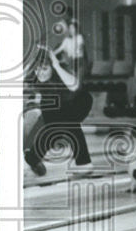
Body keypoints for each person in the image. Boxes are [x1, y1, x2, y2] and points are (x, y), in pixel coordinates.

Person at [23, 46, 94, 176]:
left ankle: (85, 164)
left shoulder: (60, 72)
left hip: (79, 101)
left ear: (52, 67)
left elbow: (74, 86)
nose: (40, 73)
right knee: (50, 131)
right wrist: (31, 62)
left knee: (69, 123)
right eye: (37, 69)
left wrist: (56, 65)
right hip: (57, 106)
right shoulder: (36, 77)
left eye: (44, 68)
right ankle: (33, 158)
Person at [53, 17, 87, 83]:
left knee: (77, 81)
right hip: (72, 61)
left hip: (79, 61)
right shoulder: (66, 40)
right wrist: (50, 53)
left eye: (73, 28)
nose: (71, 30)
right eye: (70, 28)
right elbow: (59, 49)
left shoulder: (79, 37)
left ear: (76, 29)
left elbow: (79, 48)